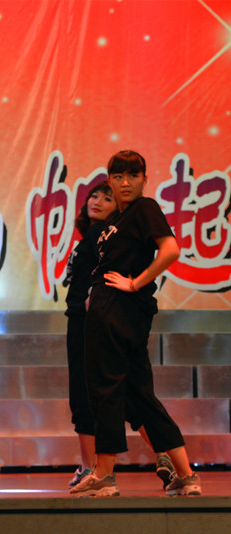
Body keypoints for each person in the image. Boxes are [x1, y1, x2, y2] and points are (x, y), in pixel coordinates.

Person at [70, 150, 201, 497]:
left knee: (106, 388)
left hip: (118, 309)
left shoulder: (145, 208)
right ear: (109, 180)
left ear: (145, 178)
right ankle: (186, 474)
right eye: (118, 177)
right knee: (140, 395)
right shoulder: (117, 220)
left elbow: (170, 250)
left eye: (133, 176)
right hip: (116, 309)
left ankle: (104, 474)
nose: (125, 183)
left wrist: (135, 283)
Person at [63, 181, 174, 490]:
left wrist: (116, 292)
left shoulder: (103, 235)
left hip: (90, 319)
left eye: (106, 198)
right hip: (98, 317)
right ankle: (163, 453)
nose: (97, 201)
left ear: (118, 209)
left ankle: (91, 468)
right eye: (94, 195)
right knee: (124, 394)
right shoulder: (96, 235)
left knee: (88, 394)